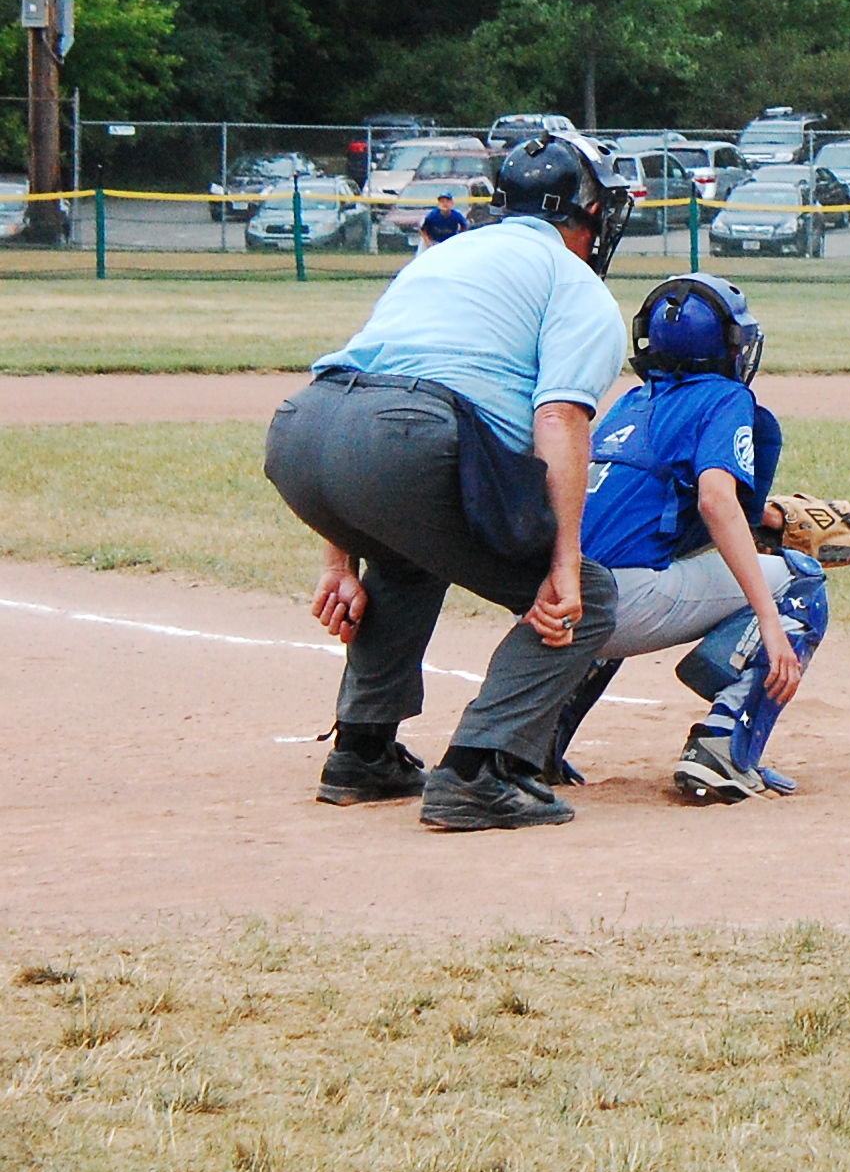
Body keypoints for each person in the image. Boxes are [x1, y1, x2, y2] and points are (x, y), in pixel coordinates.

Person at [262, 134, 635, 832]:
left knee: (408, 556)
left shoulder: (446, 254)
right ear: (587, 214)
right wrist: (563, 564)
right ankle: (480, 770)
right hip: (404, 437)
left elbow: (358, 376)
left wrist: (340, 558)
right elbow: (559, 417)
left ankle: (363, 752)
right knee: (588, 597)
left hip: (301, 430)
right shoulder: (575, 283)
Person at [543, 275, 832, 803]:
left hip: (560, 603)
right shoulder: (725, 397)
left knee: (619, 564)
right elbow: (715, 501)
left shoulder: (631, 402)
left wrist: (767, 519)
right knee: (800, 581)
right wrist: (768, 620)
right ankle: (722, 749)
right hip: (624, 606)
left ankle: (537, 740)